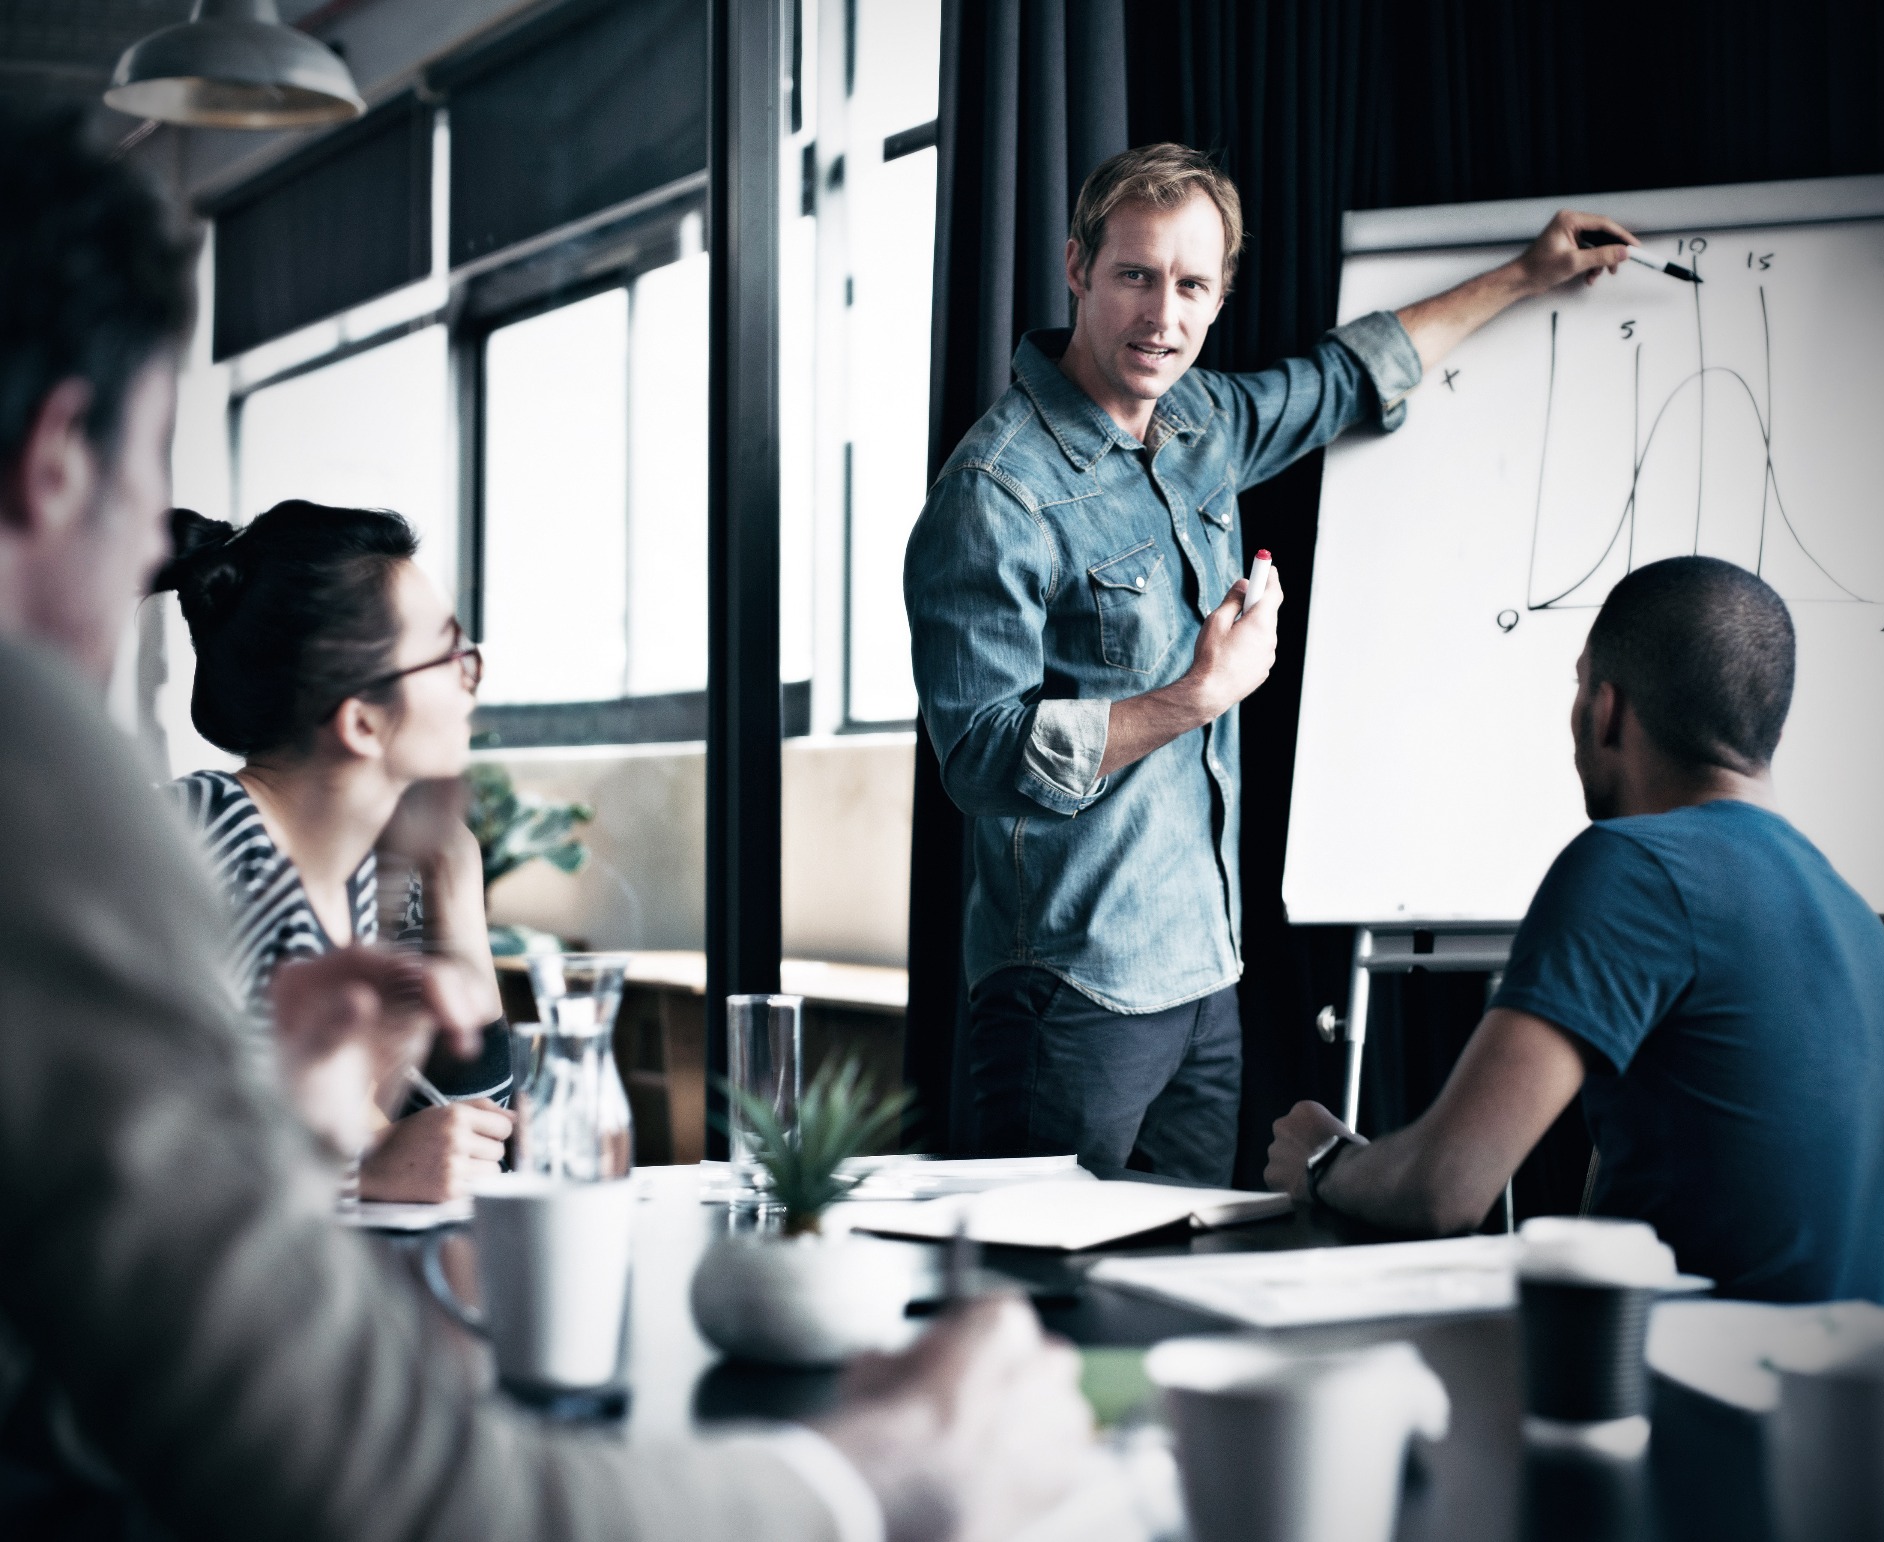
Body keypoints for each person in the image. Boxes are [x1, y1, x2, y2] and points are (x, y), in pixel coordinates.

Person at [0, 107, 1092, 1541]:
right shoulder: (80, 805)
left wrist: (317, 1102)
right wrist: (870, 1474)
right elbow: (364, 1480)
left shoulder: (378, 875)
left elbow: (153, 1232)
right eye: (147, 474)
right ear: (61, 458)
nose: (476, 674)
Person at [905, 141, 1641, 1183]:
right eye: (1135, 275)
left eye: (1191, 286)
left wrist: (1527, 274)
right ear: (1077, 267)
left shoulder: (1202, 421)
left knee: (1185, 1271)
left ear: (1219, 296)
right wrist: (1198, 695)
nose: (1162, 316)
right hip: (1070, 995)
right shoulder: (995, 492)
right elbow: (979, 758)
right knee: (1044, 1281)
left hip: (1206, 976)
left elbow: (1349, 376)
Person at [1264, 557, 1884, 1304]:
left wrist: (1323, 1159)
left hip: (1666, 1376)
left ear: (1606, 709)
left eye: (1578, 685)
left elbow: (1444, 1190)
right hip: (1828, 1380)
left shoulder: (1636, 866)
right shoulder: (1876, 946)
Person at [154, 500, 515, 1203]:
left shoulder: (368, 875)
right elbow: (129, 1150)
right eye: (449, 656)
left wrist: (457, 882)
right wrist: (367, 1171)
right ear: (362, 721)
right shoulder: (197, 848)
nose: (472, 680)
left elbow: (470, 1145)